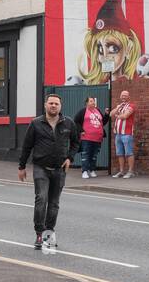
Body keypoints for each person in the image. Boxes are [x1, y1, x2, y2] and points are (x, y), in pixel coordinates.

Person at [18, 94, 79, 250]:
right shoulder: (36, 123)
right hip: (41, 168)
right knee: (41, 199)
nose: (53, 106)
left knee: (53, 204)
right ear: (45, 105)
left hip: (59, 169)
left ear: (60, 106)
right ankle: (39, 233)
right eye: (51, 103)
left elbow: (76, 142)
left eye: (56, 104)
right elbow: (27, 146)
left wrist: (70, 158)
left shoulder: (68, 123)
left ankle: (48, 233)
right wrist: (21, 167)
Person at [73, 96, 108, 179]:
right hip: (86, 138)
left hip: (97, 138)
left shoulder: (98, 111)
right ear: (87, 103)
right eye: (91, 101)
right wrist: (81, 130)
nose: (93, 102)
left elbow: (103, 122)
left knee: (94, 155)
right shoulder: (83, 111)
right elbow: (76, 121)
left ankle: (92, 170)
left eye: (93, 101)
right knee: (86, 154)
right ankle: (84, 171)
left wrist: (106, 115)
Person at [110, 90, 136, 178]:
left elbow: (125, 116)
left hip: (127, 133)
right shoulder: (119, 106)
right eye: (122, 95)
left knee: (129, 153)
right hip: (118, 134)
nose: (123, 97)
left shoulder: (131, 106)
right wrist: (117, 109)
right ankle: (121, 171)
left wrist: (117, 115)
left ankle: (130, 171)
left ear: (129, 97)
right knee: (120, 153)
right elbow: (110, 114)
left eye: (125, 95)